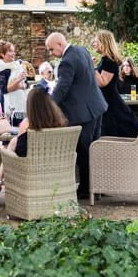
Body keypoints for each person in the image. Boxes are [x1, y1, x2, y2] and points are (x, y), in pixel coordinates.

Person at [44, 32, 108, 200]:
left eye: (52, 49)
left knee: (84, 151)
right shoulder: (82, 50)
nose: (51, 53)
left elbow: (62, 89)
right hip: (96, 107)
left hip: (82, 113)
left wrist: (46, 107)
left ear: (59, 44)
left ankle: (87, 189)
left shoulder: (66, 62)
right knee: (94, 149)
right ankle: (97, 187)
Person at [0, 86, 68, 191]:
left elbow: (20, 153)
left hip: (30, 171)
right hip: (56, 169)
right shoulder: (60, 125)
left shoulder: (26, 125)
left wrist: (6, 150)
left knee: (9, 146)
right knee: (13, 142)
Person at [91, 31, 138, 139]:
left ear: (104, 43)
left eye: (96, 41)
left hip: (110, 103)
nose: (93, 43)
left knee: (113, 132)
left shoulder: (109, 61)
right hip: (105, 101)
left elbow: (103, 82)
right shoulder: (104, 60)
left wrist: (91, 67)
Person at [0, 40, 28, 116]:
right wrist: (18, 80)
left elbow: (26, 84)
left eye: (13, 51)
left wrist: (19, 85)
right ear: (2, 54)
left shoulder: (17, 65)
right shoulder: (0, 70)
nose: (13, 53)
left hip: (21, 101)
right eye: (10, 51)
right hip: (8, 104)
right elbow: (5, 90)